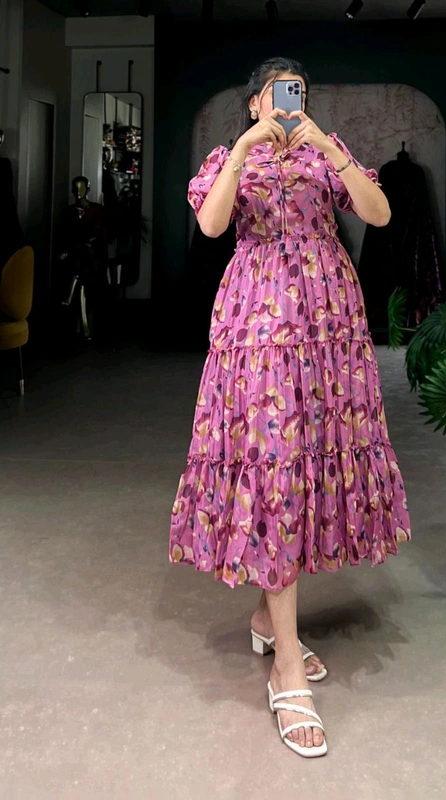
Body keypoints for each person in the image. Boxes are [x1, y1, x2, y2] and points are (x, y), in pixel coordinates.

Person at [169, 57, 411, 758]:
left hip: (327, 321)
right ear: (253, 103)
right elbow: (213, 226)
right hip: (258, 320)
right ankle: (286, 669)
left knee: (306, 466)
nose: (285, 102)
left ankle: (269, 621)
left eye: (295, 92)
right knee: (273, 465)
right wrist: (246, 149)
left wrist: (327, 145)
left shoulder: (324, 154)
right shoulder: (231, 157)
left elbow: (379, 212)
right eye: (274, 94)